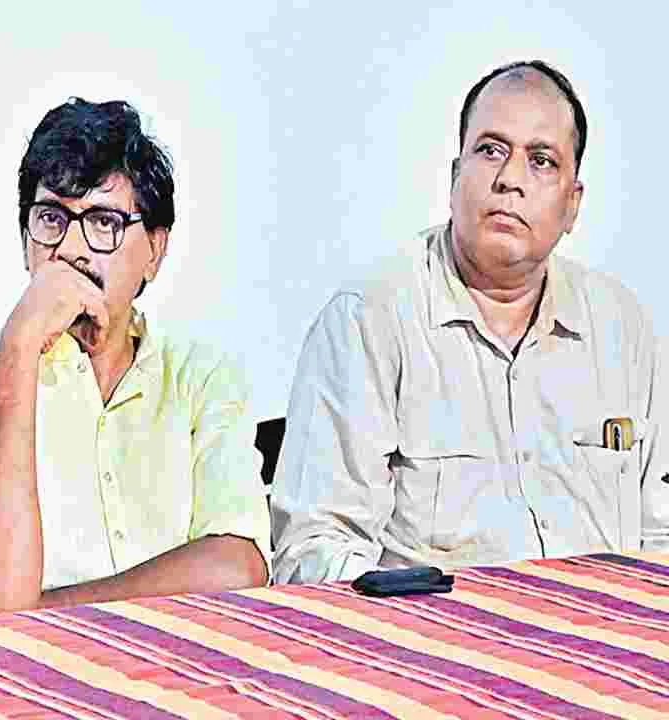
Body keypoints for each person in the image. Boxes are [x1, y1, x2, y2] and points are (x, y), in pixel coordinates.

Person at [271, 60, 669, 584]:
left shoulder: (622, 328)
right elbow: (314, 549)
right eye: (491, 150)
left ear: (572, 205)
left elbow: (661, 535)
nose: (510, 180)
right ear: (456, 177)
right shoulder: (370, 319)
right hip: (435, 631)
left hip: (604, 627)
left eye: (541, 161)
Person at [0, 98, 270, 617]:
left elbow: (239, 568)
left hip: (184, 655)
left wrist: (52, 610)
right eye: (51, 218)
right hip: (33, 664)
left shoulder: (201, 376)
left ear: (154, 251)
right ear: (25, 238)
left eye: (104, 222)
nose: (71, 249)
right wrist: (19, 352)